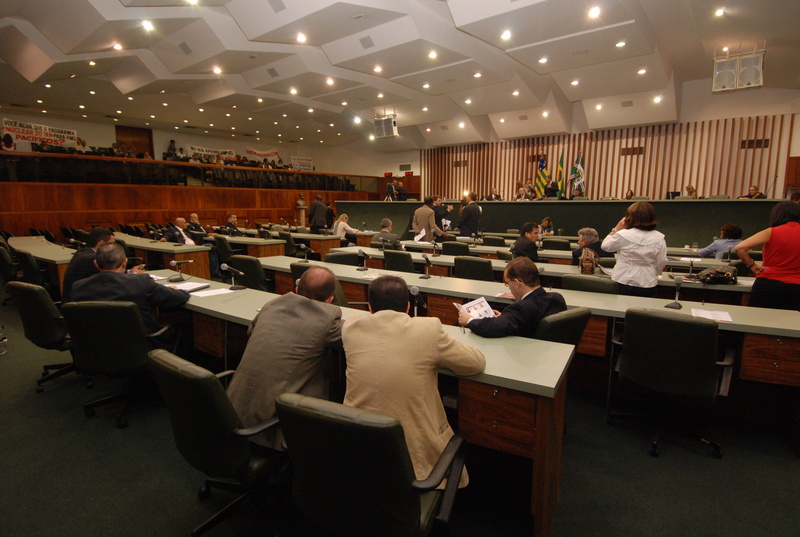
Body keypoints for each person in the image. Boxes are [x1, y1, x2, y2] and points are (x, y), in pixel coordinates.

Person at [342, 275, 485, 487]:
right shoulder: (428, 329)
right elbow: (475, 363)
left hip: (357, 451)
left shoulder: (351, 327)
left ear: (370, 308)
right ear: (408, 307)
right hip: (413, 462)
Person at [227, 266, 343, 449]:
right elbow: (348, 340)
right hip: (270, 430)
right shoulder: (328, 319)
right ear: (330, 299)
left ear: (296, 289)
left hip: (231, 414)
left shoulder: (273, 304)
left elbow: (251, 331)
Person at [71, 243, 189, 336]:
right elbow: (178, 297)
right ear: (125, 262)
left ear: (96, 264)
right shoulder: (140, 282)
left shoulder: (78, 287)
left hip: (93, 348)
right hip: (142, 346)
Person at [458, 257, 566, 338]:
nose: (509, 288)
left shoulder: (522, 307)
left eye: (508, 283)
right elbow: (524, 321)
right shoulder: (557, 297)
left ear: (517, 283)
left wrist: (469, 320)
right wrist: (506, 317)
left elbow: (491, 328)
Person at [734, 201, 800, 310]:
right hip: (797, 285)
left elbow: (739, 248)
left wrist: (751, 265)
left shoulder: (771, 232)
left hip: (769, 283)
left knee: (758, 317)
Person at [601, 201, 667, 297]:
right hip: (647, 280)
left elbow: (605, 246)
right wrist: (655, 272)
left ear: (629, 217)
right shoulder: (659, 238)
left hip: (623, 278)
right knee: (644, 306)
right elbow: (661, 261)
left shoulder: (623, 234)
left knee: (619, 305)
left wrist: (616, 228)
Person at [62, 226, 124, 302]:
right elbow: (111, 278)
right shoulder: (92, 259)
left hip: (77, 300)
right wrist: (132, 274)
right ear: (102, 243)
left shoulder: (83, 252)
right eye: (112, 244)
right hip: (77, 303)